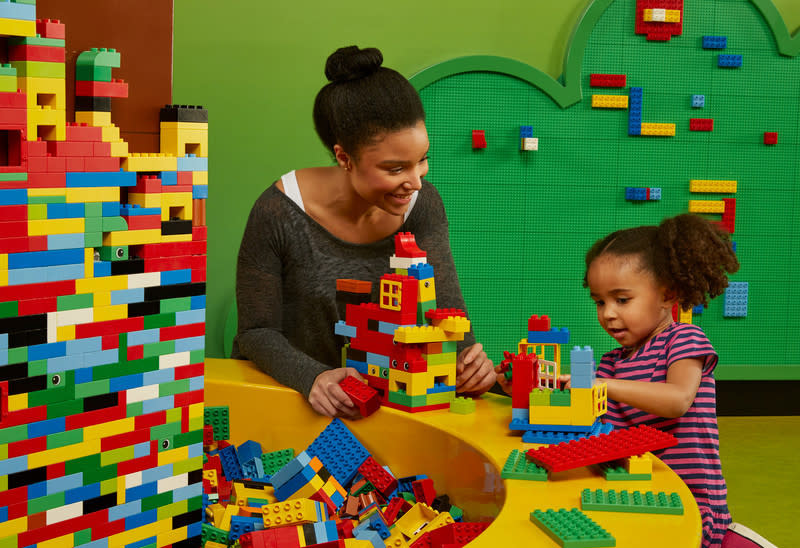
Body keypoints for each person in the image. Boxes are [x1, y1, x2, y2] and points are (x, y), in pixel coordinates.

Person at [233, 46, 495, 419]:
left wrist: (469, 365)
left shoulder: (423, 205)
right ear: (344, 158)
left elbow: (445, 314)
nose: (415, 182)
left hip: (383, 402)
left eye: (422, 160)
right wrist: (313, 377)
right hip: (290, 400)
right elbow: (257, 332)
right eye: (394, 168)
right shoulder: (278, 210)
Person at [495, 213, 762, 547]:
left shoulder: (684, 340)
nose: (608, 313)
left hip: (691, 504)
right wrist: (521, 392)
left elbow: (677, 399)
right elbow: (581, 419)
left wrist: (601, 385)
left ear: (667, 295)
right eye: (599, 301)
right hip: (630, 493)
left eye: (622, 300)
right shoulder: (611, 364)